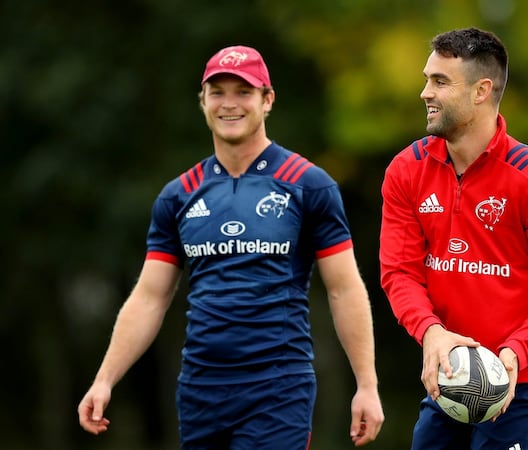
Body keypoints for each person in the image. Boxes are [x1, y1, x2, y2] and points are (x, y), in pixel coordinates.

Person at [78, 44, 384, 449]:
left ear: (267, 99)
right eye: (218, 92)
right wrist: (104, 380)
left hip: (278, 387)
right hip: (200, 389)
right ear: (202, 102)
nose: (229, 104)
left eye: (243, 91)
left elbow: (344, 288)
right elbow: (150, 297)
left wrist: (367, 385)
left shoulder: (309, 184)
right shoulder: (179, 195)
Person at [379, 27, 528, 449]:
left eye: (440, 82)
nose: (425, 92)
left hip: (525, 385)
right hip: (451, 381)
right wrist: (431, 333)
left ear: (481, 91)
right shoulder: (406, 170)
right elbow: (399, 272)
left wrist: (515, 351)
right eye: (427, 79)